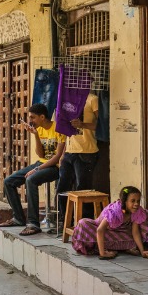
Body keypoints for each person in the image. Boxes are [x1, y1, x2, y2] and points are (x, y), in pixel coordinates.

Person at [0, 104, 66, 236]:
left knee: (31, 180)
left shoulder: (58, 129)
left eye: (32, 117)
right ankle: (18, 218)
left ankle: (33, 224)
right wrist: (35, 135)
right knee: (8, 181)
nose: (30, 121)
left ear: (42, 117)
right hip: (41, 163)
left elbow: (57, 157)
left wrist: (37, 169)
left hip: (55, 167)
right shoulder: (39, 129)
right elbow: (41, 155)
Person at [71, 186, 148, 259]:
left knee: (140, 227)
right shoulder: (114, 211)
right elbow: (100, 230)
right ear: (125, 202)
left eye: (138, 201)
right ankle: (104, 249)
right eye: (133, 201)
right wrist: (103, 254)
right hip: (102, 232)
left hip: (120, 233)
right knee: (83, 223)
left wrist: (142, 251)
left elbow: (135, 232)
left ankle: (124, 247)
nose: (136, 204)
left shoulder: (137, 211)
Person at [57, 92, 99, 225]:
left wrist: (83, 125)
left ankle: (84, 224)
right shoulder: (68, 101)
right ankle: (66, 222)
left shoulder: (93, 99)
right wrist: (63, 153)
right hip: (70, 152)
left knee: (83, 190)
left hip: (86, 151)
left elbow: (102, 125)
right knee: (62, 188)